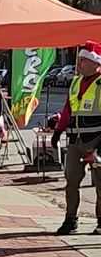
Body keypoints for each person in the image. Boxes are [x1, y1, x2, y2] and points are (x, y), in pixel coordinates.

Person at [50, 40, 101, 235]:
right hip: (75, 142)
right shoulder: (76, 82)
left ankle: (100, 222)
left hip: (96, 141)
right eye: (79, 61)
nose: (79, 65)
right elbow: (68, 110)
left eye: (83, 61)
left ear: (95, 63)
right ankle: (71, 220)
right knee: (71, 181)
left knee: (100, 184)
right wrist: (57, 132)